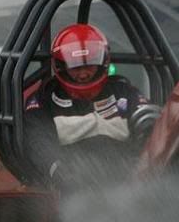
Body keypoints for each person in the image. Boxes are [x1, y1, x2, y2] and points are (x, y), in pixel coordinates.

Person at [24, 23, 153, 188]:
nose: (83, 74)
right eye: (75, 68)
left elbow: (149, 122)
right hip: (70, 185)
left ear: (102, 62)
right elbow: (37, 143)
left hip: (129, 181)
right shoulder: (43, 101)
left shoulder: (125, 93)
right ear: (61, 67)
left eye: (89, 66)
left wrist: (142, 164)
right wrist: (58, 171)